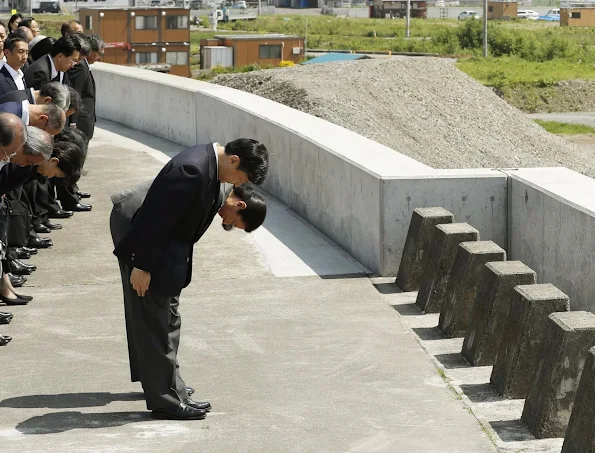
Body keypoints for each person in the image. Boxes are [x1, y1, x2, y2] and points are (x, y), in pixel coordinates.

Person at [110, 138, 268, 420]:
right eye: (241, 177)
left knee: (163, 316)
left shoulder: (212, 170)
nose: (238, 183)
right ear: (233, 161)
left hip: (159, 246)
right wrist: (142, 265)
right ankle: (164, 399)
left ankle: (169, 386)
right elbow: (154, 219)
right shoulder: (193, 170)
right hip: (140, 236)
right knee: (153, 319)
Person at [0, 36, 34, 104]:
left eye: (27, 52)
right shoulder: (1, 78)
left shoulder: (21, 76)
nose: (25, 57)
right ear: (7, 53)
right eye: (21, 52)